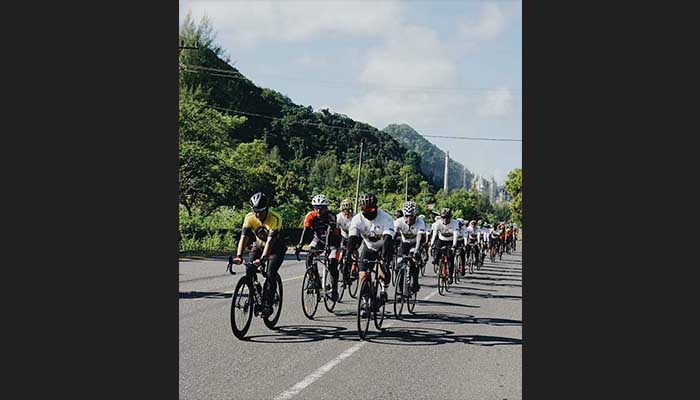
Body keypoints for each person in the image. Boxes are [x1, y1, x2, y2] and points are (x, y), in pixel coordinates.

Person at [231, 192, 285, 317]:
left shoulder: (274, 219)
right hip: (259, 245)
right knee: (249, 268)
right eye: (255, 210)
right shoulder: (250, 217)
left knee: (271, 272)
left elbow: (270, 241)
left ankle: (268, 304)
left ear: (266, 208)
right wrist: (239, 255)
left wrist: (263, 258)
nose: (258, 214)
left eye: (261, 210)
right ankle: (256, 292)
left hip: (276, 248)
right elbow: (243, 237)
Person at [346, 193, 396, 317]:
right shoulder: (357, 219)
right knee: (362, 276)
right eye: (364, 209)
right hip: (368, 247)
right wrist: (349, 253)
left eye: (370, 209)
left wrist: (385, 257)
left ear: (376, 207)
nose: (367, 212)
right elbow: (352, 238)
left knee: (384, 269)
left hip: (384, 245)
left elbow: (387, 239)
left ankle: (384, 289)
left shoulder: (385, 218)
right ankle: (366, 302)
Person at [294, 194, 342, 301]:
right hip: (318, 239)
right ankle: (313, 280)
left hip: (333, 241)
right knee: (309, 256)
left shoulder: (331, 216)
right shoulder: (310, 216)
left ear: (326, 208)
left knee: (333, 262)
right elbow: (305, 231)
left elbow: (330, 230)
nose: (318, 210)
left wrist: (327, 248)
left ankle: (334, 290)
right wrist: (300, 245)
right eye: (316, 208)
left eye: (321, 208)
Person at [393, 201, 427, 292]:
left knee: (413, 261)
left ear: (415, 215)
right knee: (398, 266)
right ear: (403, 215)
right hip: (404, 243)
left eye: (411, 216)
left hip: (415, 243)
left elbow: (419, 237)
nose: (409, 219)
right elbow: (393, 235)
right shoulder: (398, 222)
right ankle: (400, 291)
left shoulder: (420, 222)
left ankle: (415, 282)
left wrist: (417, 249)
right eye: (407, 216)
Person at [430, 208, 459, 284]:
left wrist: (454, 245)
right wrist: (431, 244)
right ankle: (438, 264)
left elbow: (455, 235)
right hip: (441, 239)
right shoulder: (437, 223)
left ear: (450, 218)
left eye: (447, 218)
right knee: (436, 252)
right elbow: (434, 234)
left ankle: (450, 275)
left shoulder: (455, 223)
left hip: (450, 241)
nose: (445, 220)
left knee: (450, 258)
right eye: (443, 218)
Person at [336, 198, 355, 283]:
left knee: (353, 251)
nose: (346, 213)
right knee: (340, 254)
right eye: (344, 211)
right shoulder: (339, 217)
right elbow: (334, 229)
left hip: (354, 237)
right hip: (343, 236)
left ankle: (354, 267)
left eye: (348, 210)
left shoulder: (355, 217)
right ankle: (340, 265)